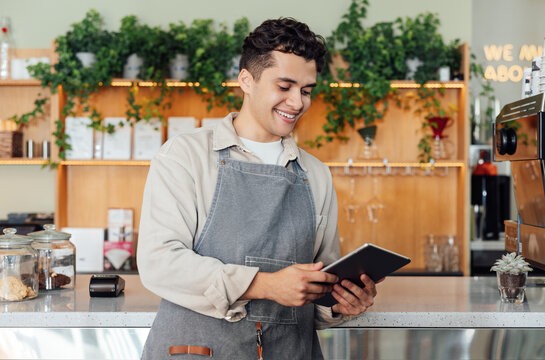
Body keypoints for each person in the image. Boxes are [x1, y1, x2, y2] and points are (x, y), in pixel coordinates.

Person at [137, 17, 379, 359]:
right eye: (285, 86)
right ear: (246, 81)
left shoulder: (316, 174)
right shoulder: (186, 156)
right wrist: (266, 285)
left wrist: (341, 303)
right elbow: (159, 262)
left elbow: (319, 285)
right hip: (196, 350)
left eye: (307, 90)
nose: (297, 102)